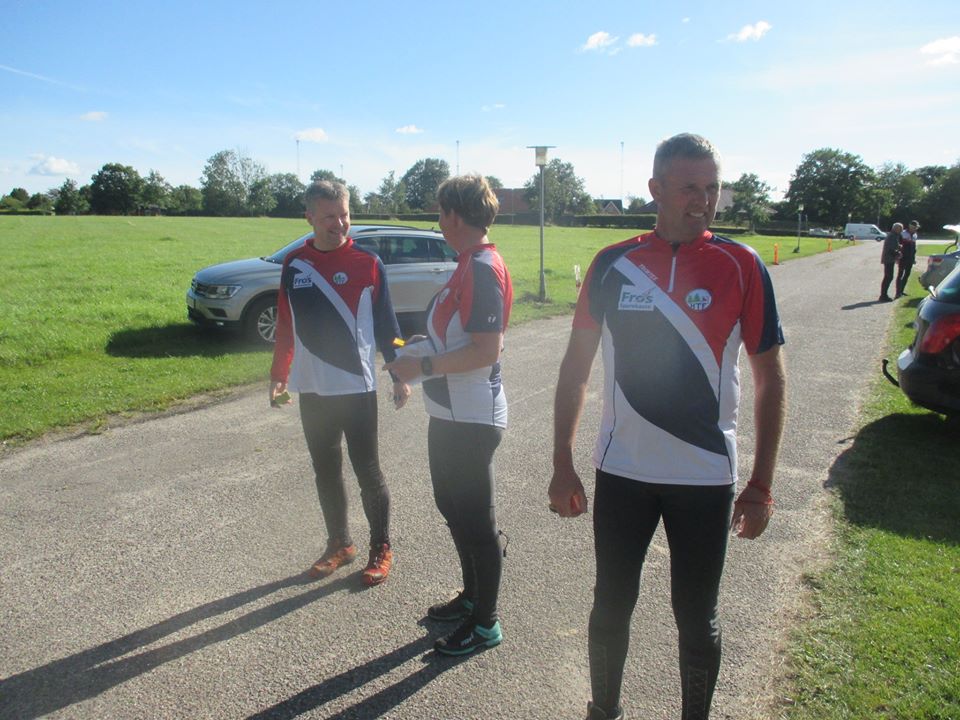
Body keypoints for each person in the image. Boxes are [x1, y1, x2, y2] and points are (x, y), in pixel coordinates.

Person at [548, 133, 787, 720]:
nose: (703, 200)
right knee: (610, 605)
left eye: (712, 188)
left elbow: (770, 379)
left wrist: (761, 483)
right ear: (655, 189)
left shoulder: (742, 265)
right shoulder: (612, 264)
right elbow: (576, 367)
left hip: (704, 476)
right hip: (623, 471)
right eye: (688, 188)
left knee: (697, 617)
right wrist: (561, 462)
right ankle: (603, 711)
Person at [385, 174, 513, 656]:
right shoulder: (466, 264)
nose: (438, 222)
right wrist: (420, 349)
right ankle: (473, 597)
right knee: (452, 507)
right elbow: (456, 338)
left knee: (476, 521)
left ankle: (486, 623)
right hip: (449, 412)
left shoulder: (481, 267)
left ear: (455, 215)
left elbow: (486, 349)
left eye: (441, 213)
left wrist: (421, 366)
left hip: (472, 417)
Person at [270, 180, 410, 587]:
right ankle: (340, 544)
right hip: (312, 387)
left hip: (357, 388)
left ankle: (381, 547)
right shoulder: (295, 263)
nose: (340, 223)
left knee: (368, 471)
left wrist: (399, 373)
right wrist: (279, 374)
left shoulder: (368, 263)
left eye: (345, 214)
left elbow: (390, 327)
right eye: (329, 216)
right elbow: (285, 323)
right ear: (310, 218)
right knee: (325, 471)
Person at [879, 222, 903, 302]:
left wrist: (898, 247)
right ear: (896, 228)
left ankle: (883, 295)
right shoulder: (892, 236)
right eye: (900, 229)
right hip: (888, 259)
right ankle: (883, 295)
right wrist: (898, 254)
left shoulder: (893, 235)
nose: (901, 230)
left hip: (889, 258)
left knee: (888, 277)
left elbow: (894, 246)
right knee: (888, 277)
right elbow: (891, 249)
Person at [895, 220, 920, 297]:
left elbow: (914, 248)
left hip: (910, 258)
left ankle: (902, 290)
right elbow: (898, 246)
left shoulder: (915, 235)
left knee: (907, 275)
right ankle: (898, 292)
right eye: (914, 227)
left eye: (916, 227)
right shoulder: (903, 233)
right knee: (900, 275)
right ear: (910, 226)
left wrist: (913, 258)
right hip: (903, 258)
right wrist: (898, 257)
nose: (915, 229)